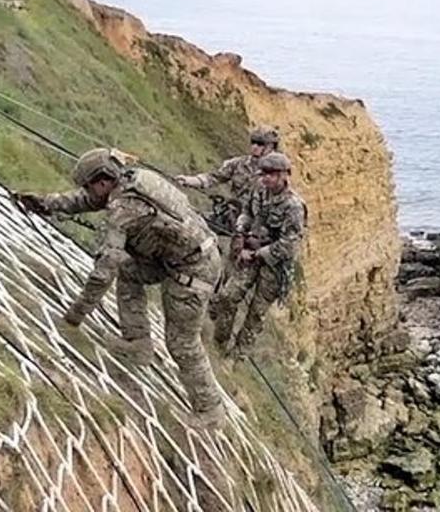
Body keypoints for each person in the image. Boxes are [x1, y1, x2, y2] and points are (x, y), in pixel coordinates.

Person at [15, 148, 226, 428]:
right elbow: (86, 201)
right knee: (130, 272)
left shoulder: (123, 210)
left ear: (103, 181)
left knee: (182, 341)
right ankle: (138, 342)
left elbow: (104, 273)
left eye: (90, 185)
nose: (88, 192)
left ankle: (210, 411)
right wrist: (46, 203)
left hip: (193, 271)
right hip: (175, 257)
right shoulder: (134, 180)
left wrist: (74, 317)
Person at [210, 153, 307, 358]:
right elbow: (247, 213)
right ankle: (219, 344)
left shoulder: (294, 206)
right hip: (251, 252)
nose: (266, 178)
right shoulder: (259, 191)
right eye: (264, 174)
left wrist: (258, 253)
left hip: (274, 264)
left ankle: (238, 355)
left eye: (271, 174)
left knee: (256, 313)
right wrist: (241, 231)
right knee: (228, 296)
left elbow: (290, 243)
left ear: (283, 175)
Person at [176, 126, 280, 238]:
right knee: (194, 225)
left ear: (270, 147)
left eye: (260, 144)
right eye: (253, 142)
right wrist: (188, 180)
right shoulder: (239, 164)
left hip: (255, 229)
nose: (254, 147)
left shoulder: (276, 176)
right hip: (231, 217)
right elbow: (214, 177)